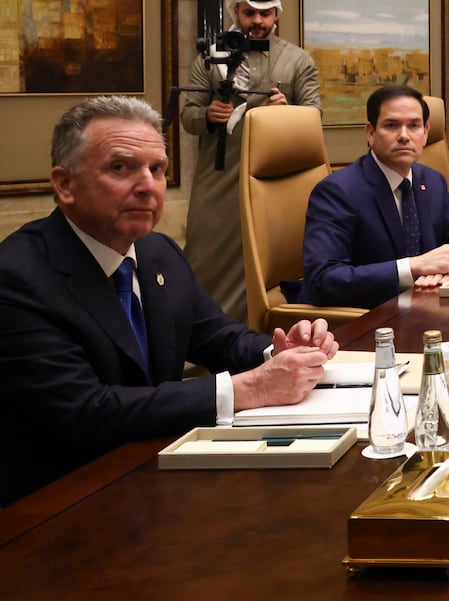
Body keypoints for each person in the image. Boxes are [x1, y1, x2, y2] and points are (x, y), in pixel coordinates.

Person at [0, 96, 337, 506]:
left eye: (157, 169)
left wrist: (278, 348)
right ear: (65, 184)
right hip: (58, 502)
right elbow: (86, 411)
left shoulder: (157, 251)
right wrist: (249, 388)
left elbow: (217, 338)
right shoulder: (19, 276)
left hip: (149, 474)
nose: (147, 186)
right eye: (120, 168)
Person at [179, 0, 321, 324]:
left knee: (273, 258)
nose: (258, 21)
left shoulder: (298, 60)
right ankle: (206, 343)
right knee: (207, 257)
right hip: (219, 178)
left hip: (277, 182)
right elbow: (187, 115)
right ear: (236, 12)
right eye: (249, 13)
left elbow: (314, 117)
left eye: (265, 13)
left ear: (276, 16)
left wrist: (288, 111)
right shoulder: (208, 58)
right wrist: (209, 115)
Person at [302, 85, 449, 308]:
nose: (404, 136)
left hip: (424, 306)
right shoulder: (338, 191)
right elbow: (323, 279)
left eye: (414, 126)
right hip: (367, 317)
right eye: (392, 126)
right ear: (371, 133)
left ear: (426, 132)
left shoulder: (431, 181)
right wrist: (413, 267)